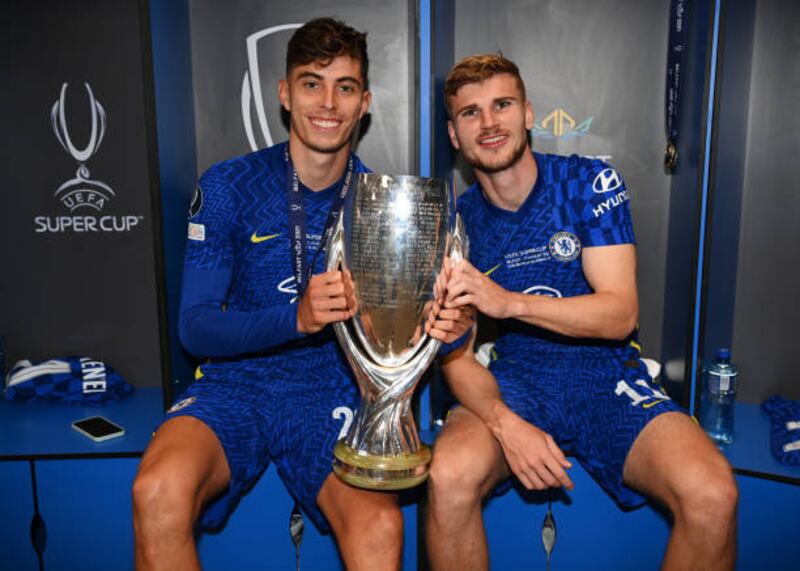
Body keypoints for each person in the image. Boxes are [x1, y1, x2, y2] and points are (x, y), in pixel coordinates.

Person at [132, 19, 468, 571]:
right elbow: (194, 327)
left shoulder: (386, 207)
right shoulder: (228, 185)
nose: (328, 102)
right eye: (312, 83)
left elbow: (432, 328)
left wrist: (455, 327)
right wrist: (297, 317)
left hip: (329, 388)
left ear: (366, 102)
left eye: (345, 86)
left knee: (380, 524)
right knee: (156, 490)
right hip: (236, 382)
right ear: (286, 95)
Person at [425, 54, 738, 571]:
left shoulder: (588, 182)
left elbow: (620, 314)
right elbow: (454, 356)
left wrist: (508, 302)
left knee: (712, 493)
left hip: (606, 379)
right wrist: (505, 424)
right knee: (448, 476)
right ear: (454, 136)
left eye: (502, 105)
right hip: (518, 381)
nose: (489, 124)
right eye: (470, 113)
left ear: (528, 113)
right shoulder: (455, 222)